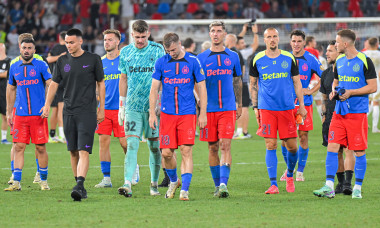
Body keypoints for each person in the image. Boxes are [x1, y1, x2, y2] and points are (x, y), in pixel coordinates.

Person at [42, 28, 106, 201]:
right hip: (68, 112)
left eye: (71, 42)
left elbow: (101, 83)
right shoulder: (62, 61)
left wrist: (101, 108)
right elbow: (54, 84)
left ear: (80, 41)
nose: (68, 45)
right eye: (66, 42)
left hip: (87, 111)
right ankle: (79, 185)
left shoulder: (93, 59)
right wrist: (47, 105)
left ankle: (79, 184)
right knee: (72, 152)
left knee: (83, 150)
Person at [313, 29, 377, 199]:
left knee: (358, 151)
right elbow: (336, 82)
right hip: (339, 112)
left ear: (345, 43)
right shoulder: (339, 61)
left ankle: (357, 187)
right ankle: (329, 186)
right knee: (332, 147)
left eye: (337, 42)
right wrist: (335, 91)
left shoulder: (365, 61)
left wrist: (351, 92)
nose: (335, 44)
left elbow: (373, 87)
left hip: (357, 113)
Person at [149, 32, 207, 200]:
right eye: (168, 50)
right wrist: (152, 113)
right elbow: (154, 89)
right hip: (167, 115)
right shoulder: (161, 62)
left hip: (187, 113)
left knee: (186, 150)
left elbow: (202, 87)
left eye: (173, 50)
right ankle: (174, 181)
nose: (171, 53)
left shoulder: (193, 61)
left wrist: (202, 112)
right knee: (166, 153)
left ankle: (185, 190)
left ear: (180, 44)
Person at [249, 27, 307, 194]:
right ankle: (273, 184)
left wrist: (301, 105)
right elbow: (253, 85)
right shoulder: (257, 59)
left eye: (275, 36)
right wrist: (255, 107)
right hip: (267, 108)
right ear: (264, 39)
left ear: (278, 39)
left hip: (287, 108)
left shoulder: (288, 57)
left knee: (292, 147)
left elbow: (297, 82)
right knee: (271, 144)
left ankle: (289, 175)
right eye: (269, 37)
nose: (272, 39)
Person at [117, 20, 165, 197]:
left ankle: (154, 185)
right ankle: (127, 183)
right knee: (132, 144)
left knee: (154, 146)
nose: (140, 41)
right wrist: (121, 105)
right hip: (133, 107)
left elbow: (163, 77)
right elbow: (123, 78)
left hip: (153, 108)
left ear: (148, 33)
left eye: (143, 37)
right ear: (132, 34)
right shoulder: (126, 52)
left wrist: (160, 103)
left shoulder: (157, 50)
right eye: (137, 37)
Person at [197, 21, 243, 198]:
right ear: (209, 34)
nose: (216, 34)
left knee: (225, 145)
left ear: (225, 34)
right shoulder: (201, 58)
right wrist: (199, 100)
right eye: (213, 31)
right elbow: (195, 83)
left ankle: (224, 184)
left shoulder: (233, 56)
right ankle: (217, 185)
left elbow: (237, 81)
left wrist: (239, 104)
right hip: (208, 110)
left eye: (219, 31)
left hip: (228, 108)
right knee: (212, 147)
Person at [5, 38, 52, 191]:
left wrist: (46, 105)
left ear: (34, 49)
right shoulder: (14, 66)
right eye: (24, 47)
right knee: (19, 146)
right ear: (20, 48)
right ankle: (16, 181)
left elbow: (50, 84)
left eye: (29, 48)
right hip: (20, 114)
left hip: (38, 114)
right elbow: (11, 89)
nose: (26, 50)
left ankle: (43, 180)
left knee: (40, 148)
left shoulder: (41, 65)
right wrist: (9, 111)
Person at [279, 30, 323, 182]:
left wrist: (311, 90)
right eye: (293, 41)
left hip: (304, 105)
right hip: (286, 105)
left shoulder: (311, 59)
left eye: (299, 41)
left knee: (303, 138)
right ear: (290, 42)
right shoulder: (284, 58)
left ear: (304, 42)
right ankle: (289, 169)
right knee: (285, 139)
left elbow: (326, 77)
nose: (296, 44)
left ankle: (300, 172)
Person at [320, 40, 355, 195]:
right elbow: (324, 96)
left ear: (339, 52)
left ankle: (348, 183)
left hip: (347, 114)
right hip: (330, 116)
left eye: (330, 51)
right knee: (336, 150)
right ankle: (340, 184)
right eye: (326, 50)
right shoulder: (326, 74)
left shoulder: (347, 70)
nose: (326, 53)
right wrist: (324, 114)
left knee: (348, 149)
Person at [94, 29, 127, 188]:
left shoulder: (125, 60)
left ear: (117, 42)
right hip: (104, 110)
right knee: (103, 143)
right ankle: (106, 179)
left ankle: (132, 170)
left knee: (125, 143)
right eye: (105, 40)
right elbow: (96, 86)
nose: (106, 42)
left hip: (122, 109)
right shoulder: (100, 62)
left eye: (110, 40)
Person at [236, 23, 260, 139]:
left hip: (238, 83)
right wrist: (255, 32)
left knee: (242, 107)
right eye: (241, 43)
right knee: (244, 107)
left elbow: (236, 39)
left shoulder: (233, 52)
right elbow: (255, 45)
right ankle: (242, 131)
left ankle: (241, 131)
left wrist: (244, 30)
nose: (244, 44)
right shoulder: (241, 53)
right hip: (242, 83)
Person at [46, 31, 67, 143]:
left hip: (55, 81)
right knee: (61, 108)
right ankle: (62, 135)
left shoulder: (55, 48)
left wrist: (57, 57)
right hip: (64, 82)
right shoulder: (69, 48)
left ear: (59, 38)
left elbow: (48, 59)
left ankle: (52, 134)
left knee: (55, 108)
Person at [363, 37, 380, 133]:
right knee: (376, 102)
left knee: (367, 102)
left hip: (364, 81)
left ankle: (363, 122)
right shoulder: (379, 54)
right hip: (376, 80)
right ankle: (374, 127)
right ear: (377, 44)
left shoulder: (363, 54)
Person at [0, 43, 11, 144]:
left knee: (4, 115)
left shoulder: (9, 61)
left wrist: (3, 74)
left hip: (3, 91)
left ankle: (3, 138)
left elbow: (7, 74)